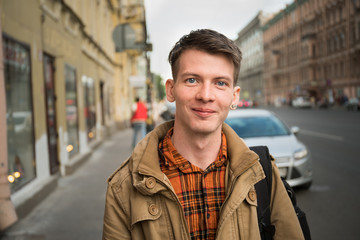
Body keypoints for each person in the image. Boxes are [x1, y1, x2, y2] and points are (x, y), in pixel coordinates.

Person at [103, 29, 304, 240]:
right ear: (171, 90)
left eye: (220, 83)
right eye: (192, 80)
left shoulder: (261, 171)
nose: (206, 96)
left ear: (234, 97)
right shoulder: (124, 185)